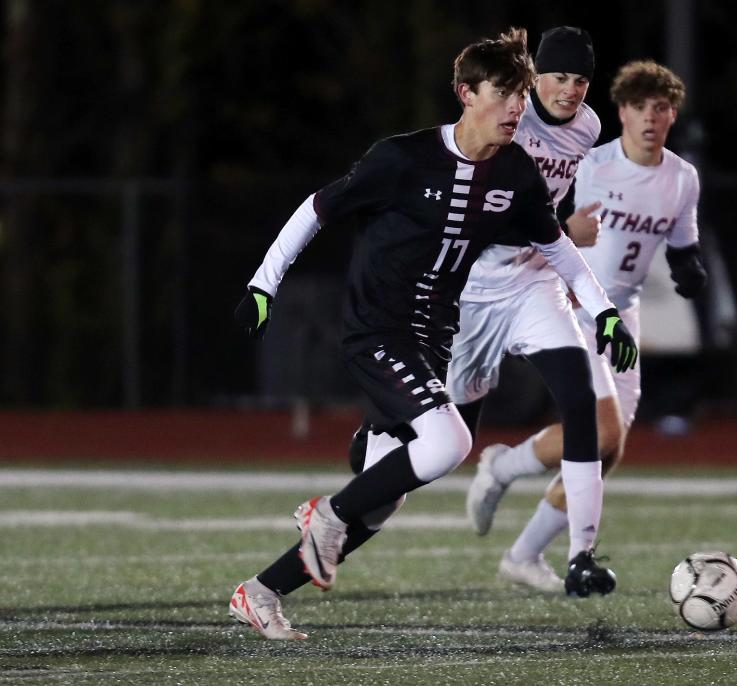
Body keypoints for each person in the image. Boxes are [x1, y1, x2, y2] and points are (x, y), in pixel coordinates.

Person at [227, 28, 637, 640]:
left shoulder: (516, 171)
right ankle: (326, 513)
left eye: (520, 97)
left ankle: (260, 591)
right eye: (504, 95)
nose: (516, 110)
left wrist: (601, 310)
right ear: (465, 94)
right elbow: (317, 209)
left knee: (385, 492)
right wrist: (263, 285)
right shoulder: (403, 158)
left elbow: (556, 244)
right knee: (447, 444)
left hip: (435, 340)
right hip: (379, 331)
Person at [464, 59, 707, 589]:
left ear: (672, 116)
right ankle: (504, 471)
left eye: (660, 108)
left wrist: (690, 269)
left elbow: (683, 244)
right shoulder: (590, 164)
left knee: (610, 448)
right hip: (574, 302)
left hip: (626, 314)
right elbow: (540, 219)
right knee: (601, 430)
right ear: (621, 111)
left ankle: (523, 554)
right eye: (639, 107)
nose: (650, 117)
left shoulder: (682, 179)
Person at [447, 26, 620, 594]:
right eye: (559, 77)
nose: (570, 90)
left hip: (533, 283)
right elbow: (473, 199)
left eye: (580, 80)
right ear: (534, 78)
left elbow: (556, 197)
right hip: (476, 287)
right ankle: (379, 448)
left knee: (582, 408)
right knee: (446, 444)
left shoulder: (590, 125)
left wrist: (561, 235)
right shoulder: (509, 118)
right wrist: (561, 229)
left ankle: (580, 556)